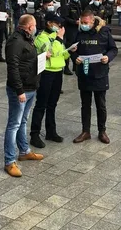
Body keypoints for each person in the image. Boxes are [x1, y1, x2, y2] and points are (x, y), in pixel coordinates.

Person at [4, 14, 44, 177]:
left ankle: (24, 151)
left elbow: (28, 60)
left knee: (23, 121)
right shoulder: (16, 41)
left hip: (31, 87)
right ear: (29, 27)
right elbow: (12, 68)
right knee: (14, 124)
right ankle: (9, 161)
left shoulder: (28, 39)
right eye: (34, 25)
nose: (36, 28)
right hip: (20, 90)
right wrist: (19, 90)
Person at [71, 11, 118, 144]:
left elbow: (113, 49)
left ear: (92, 21)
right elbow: (72, 50)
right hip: (84, 73)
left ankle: (102, 131)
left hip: (100, 73)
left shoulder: (104, 32)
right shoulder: (79, 33)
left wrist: (108, 57)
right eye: (82, 22)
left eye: (86, 23)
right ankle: (85, 131)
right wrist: (75, 58)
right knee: (85, 105)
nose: (83, 25)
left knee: (100, 104)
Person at [30, 13, 74, 148]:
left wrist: (70, 51)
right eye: (57, 24)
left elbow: (61, 54)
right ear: (49, 23)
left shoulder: (56, 37)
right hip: (46, 72)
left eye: (60, 25)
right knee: (41, 104)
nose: (59, 27)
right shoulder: (42, 37)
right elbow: (51, 52)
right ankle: (34, 134)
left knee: (52, 104)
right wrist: (60, 39)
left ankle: (51, 131)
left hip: (57, 72)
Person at [61, 0, 82, 75]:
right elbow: (65, 17)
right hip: (70, 29)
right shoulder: (68, 6)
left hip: (78, 29)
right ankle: (66, 67)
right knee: (69, 48)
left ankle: (75, 66)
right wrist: (74, 22)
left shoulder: (79, 5)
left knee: (76, 47)